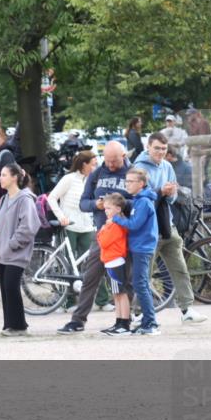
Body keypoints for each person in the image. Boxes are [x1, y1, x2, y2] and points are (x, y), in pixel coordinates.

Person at [58, 141, 135, 334]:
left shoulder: (132, 173)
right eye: (106, 160)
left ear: (123, 156)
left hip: (125, 236)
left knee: (124, 281)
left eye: (114, 161)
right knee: (90, 277)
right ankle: (78, 320)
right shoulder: (97, 173)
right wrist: (96, 205)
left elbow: (142, 200)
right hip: (103, 235)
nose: (109, 165)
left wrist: (119, 204)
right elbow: (83, 203)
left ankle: (125, 320)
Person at [134, 132, 206, 323]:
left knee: (180, 267)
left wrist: (171, 193)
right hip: (149, 228)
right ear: (148, 147)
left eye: (164, 149)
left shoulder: (167, 166)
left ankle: (187, 309)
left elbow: (172, 198)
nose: (160, 152)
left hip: (168, 224)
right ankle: (138, 312)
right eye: (157, 148)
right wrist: (160, 191)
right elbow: (137, 197)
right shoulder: (139, 167)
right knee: (145, 272)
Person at [47, 150, 106, 311]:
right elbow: (51, 197)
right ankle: (68, 301)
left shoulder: (93, 180)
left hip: (87, 226)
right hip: (69, 226)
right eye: (93, 164)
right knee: (67, 265)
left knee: (95, 262)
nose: (95, 167)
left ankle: (102, 300)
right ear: (84, 164)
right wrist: (61, 217)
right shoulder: (69, 179)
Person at [0, 163, 38, 337]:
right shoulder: (4, 199)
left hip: (16, 252)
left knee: (11, 286)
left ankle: (19, 326)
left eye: (3, 175)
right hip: (2, 253)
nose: (0, 178)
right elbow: (2, 222)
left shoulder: (25, 199)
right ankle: (10, 324)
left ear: (14, 177)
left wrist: (12, 243)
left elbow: (29, 226)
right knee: (5, 288)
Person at [112, 168, 161, 335]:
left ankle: (151, 323)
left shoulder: (144, 202)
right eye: (126, 181)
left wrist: (116, 218)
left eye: (131, 181)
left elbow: (134, 225)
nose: (127, 184)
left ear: (141, 184)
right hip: (137, 247)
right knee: (139, 284)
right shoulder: (138, 200)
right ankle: (148, 321)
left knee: (141, 284)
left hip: (143, 248)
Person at [98, 194, 132, 336]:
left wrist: (103, 229)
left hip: (115, 261)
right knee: (116, 293)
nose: (106, 211)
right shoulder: (111, 223)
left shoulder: (115, 224)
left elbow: (103, 241)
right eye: (105, 208)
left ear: (118, 209)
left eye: (109, 208)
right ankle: (119, 322)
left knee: (121, 293)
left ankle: (124, 323)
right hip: (111, 261)